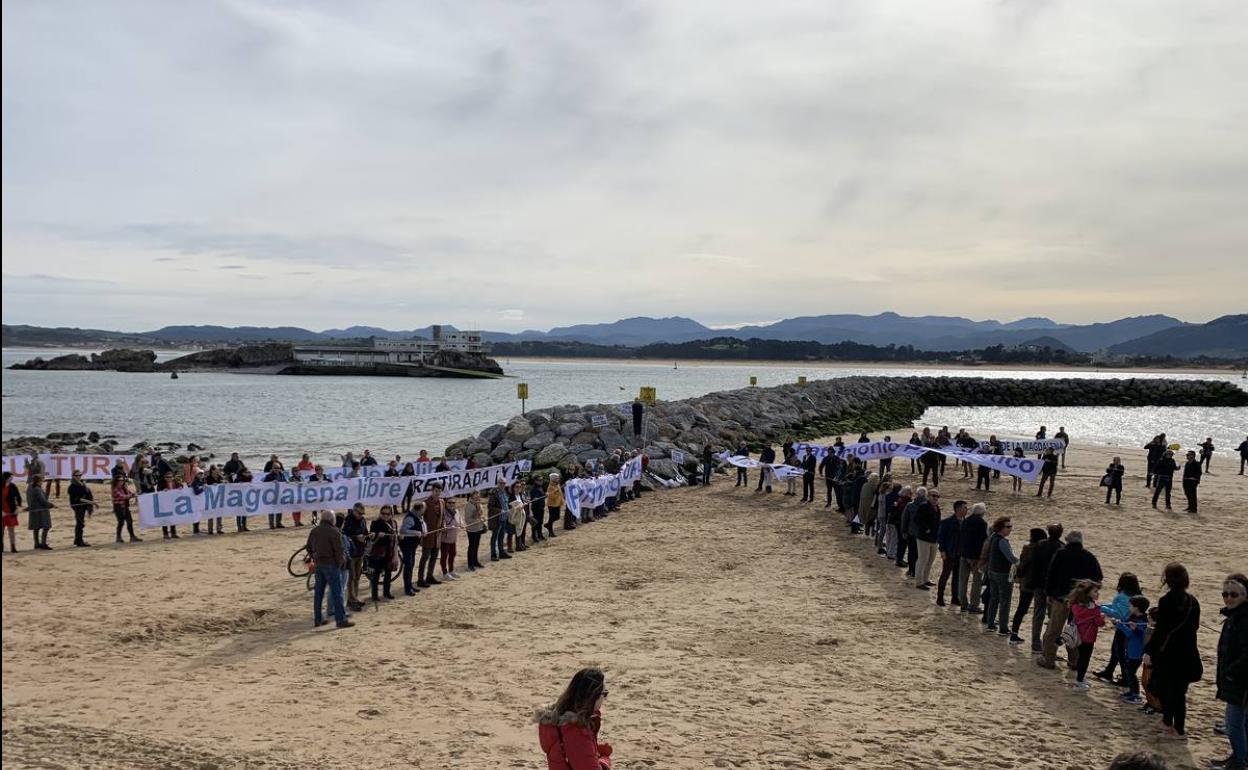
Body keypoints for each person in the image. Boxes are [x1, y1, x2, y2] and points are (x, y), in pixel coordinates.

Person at [1144, 562, 1202, 740]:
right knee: (1174, 690)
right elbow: (1195, 626)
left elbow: (1161, 630)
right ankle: (1168, 722)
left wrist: (1149, 651)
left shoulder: (1167, 600)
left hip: (1168, 653)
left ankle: (1178, 729)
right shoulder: (1193, 601)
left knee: (1169, 691)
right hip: (1188, 651)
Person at [1038, 530, 1103, 670]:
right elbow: (1098, 577)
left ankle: (1048, 658)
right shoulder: (1089, 556)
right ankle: (1075, 661)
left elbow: (1051, 575)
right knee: (1076, 630)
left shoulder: (1061, 554)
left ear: (1068, 540)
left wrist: (1049, 593)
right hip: (1081, 601)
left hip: (1062, 598)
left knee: (1054, 629)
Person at [536, 667, 613, 770]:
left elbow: (572, 754)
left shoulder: (556, 723)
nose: (604, 699)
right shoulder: (576, 732)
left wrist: (594, 750)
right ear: (593, 696)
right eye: (604, 694)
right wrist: (605, 758)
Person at [1212, 573, 1248, 770]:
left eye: (1234, 594)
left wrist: (1230, 672)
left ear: (1244, 596)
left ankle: (1239, 762)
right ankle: (1239, 756)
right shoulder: (1235, 616)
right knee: (1241, 723)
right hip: (1236, 679)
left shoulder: (1244, 619)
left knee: (1234, 723)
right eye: (1225, 594)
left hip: (1240, 681)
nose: (1228, 598)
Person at [1093, 573, 1143, 685]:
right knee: (1116, 651)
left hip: (1122, 627)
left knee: (1119, 652)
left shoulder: (1121, 596)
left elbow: (1117, 613)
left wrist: (1102, 608)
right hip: (1132, 627)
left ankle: (1125, 677)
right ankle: (1109, 671)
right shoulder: (1138, 596)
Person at [306, 508, 352, 629]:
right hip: (331, 565)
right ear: (332, 519)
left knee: (319, 593)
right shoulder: (334, 531)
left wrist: (314, 557)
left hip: (319, 565)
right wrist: (339, 563)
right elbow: (339, 551)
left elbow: (308, 547)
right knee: (337, 593)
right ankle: (340, 620)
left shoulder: (315, 531)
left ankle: (318, 619)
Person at [1020, 524, 1063, 653]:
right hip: (1052, 588)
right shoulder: (1061, 547)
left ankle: (1035, 643)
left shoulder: (1040, 545)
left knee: (1038, 614)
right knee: (1052, 617)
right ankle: (1048, 645)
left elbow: (1034, 564)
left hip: (1038, 584)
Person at [1007, 528, 1046, 644]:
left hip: (1026, 582)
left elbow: (1022, 565)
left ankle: (1014, 633)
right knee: (1037, 611)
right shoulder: (1039, 549)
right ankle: (1034, 640)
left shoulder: (1027, 548)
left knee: (1022, 608)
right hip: (1036, 583)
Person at [984, 516, 1020, 638]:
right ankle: (1003, 628)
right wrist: (1021, 563)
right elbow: (1010, 558)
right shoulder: (1002, 541)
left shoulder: (993, 537)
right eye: (1008, 527)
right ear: (1001, 528)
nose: (1010, 529)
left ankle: (990, 623)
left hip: (992, 571)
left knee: (994, 598)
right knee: (1005, 601)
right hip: (1002, 574)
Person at [1068, 579, 1106, 692]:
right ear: (1088, 593)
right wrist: (1101, 617)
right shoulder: (1094, 609)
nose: (1097, 593)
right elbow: (1100, 623)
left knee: (1081, 658)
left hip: (1077, 635)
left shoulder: (1076, 605)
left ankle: (1080, 678)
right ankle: (1079, 682)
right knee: (1085, 659)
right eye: (1095, 591)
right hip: (1088, 638)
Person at [1114, 596, 1150, 705]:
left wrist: (1120, 626)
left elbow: (1131, 634)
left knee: (1131, 673)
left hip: (1136, 653)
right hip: (1130, 650)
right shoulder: (1134, 618)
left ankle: (1136, 695)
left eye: (1131, 606)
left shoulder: (1142, 621)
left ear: (1137, 608)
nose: (1129, 607)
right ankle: (1131, 691)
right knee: (1128, 672)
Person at [956, 502, 989, 613]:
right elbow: (983, 541)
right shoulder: (982, 524)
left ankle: (963, 603)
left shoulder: (966, 521)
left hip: (964, 553)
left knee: (963, 580)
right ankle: (974, 605)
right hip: (975, 556)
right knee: (976, 581)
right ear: (982, 512)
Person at [935, 500, 965, 607]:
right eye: (964, 508)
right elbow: (941, 537)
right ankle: (940, 597)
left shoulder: (965, 522)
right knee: (945, 575)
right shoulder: (947, 522)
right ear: (958, 509)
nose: (966, 510)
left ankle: (955, 598)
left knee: (957, 577)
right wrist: (942, 550)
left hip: (960, 554)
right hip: (949, 553)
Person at [341, 503, 369, 611]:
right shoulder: (348, 521)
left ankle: (354, 598)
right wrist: (356, 537)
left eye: (362, 514)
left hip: (360, 552)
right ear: (354, 511)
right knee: (351, 578)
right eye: (359, 513)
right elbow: (344, 536)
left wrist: (368, 535)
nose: (361, 515)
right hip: (351, 554)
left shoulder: (363, 520)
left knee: (357, 577)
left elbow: (365, 531)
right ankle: (351, 600)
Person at [912, 488, 940, 589]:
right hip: (923, 538)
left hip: (934, 538)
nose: (935, 498)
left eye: (937, 496)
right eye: (933, 496)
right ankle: (919, 582)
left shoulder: (936, 507)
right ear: (928, 496)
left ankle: (925, 579)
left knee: (930, 560)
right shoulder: (923, 506)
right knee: (922, 560)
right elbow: (916, 519)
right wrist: (925, 528)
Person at [367, 506, 397, 601]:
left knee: (388, 573)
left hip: (389, 551)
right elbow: (371, 537)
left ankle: (386, 592)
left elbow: (395, 536)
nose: (385, 516)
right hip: (378, 552)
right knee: (376, 575)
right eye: (383, 513)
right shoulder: (375, 523)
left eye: (387, 514)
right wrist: (377, 535)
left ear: (391, 515)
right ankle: (374, 596)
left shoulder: (394, 523)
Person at [420, 483, 445, 586]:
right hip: (428, 534)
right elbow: (421, 519)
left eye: (439, 491)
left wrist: (443, 525)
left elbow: (443, 516)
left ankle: (429, 576)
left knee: (434, 557)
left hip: (437, 535)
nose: (437, 493)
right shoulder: (425, 503)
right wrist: (423, 531)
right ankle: (420, 579)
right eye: (435, 491)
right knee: (425, 557)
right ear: (432, 491)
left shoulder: (442, 502)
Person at [398, 501, 425, 595]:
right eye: (423, 509)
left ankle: (409, 585)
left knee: (412, 564)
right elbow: (402, 530)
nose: (423, 511)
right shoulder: (410, 518)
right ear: (419, 509)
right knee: (408, 565)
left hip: (413, 545)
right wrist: (415, 532)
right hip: (406, 545)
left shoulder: (418, 517)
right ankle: (407, 588)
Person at [67, 470, 94, 547]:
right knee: (80, 523)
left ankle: (77, 540)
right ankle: (79, 541)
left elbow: (87, 493)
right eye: (76, 475)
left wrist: (90, 503)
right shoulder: (72, 486)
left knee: (80, 523)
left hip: (83, 506)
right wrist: (92, 502)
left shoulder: (82, 484)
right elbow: (78, 498)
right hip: (77, 506)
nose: (78, 477)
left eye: (80, 475)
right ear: (73, 476)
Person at [26, 474, 53, 550]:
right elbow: (42, 500)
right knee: (46, 526)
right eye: (42, 480)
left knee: (36, 527)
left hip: (33, 510)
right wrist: (51, 505)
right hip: (41, 511)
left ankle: (37, 543)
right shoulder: (37, 489)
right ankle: (43, 543)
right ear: (39, 481)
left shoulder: (30, 487)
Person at [110, 475, 140, 543]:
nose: (121, 481)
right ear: (116, 481)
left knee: (130, 521)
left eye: (122, 480)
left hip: (125, 507)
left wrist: (133, 494)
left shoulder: (124, 488)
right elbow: (122, 496)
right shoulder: (115, 489)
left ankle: (132, 537)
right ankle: (118, 537)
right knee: (121, 522)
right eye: (120, 480)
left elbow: (130, 493)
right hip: (118, 507)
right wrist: (130, 496)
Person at [464, 491, 487, 571]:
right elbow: (467, 519)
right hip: (471, 529)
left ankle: (475, 561)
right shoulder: (468, 505)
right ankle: (470, 564)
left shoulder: (479, 504)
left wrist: (483, 519)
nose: (477, 496)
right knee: (471, 546)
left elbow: (480, 515)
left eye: (478, 495)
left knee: (476, 545)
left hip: (479, 528)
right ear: (472, 496)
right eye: (476, 495)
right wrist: (477, 521)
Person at [489, 479, 512, 559]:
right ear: (497, 484)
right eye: (501, 483)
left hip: (504, 518)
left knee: (501, 537)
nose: (502, 484)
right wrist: (500, 510)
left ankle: (501, 552)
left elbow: (507, 503)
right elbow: (490, 507)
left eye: (504, 483)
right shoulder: (494, 494)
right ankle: (493, 554)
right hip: (497, 519)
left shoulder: (505, 493)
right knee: (495, 537)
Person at [3, 472, 23, 553]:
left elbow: (18, 497)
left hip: (11, 510)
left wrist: (18, 507)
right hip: (3, 511)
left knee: (11, 530)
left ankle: (13, 546)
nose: (11, 478)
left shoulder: (12, 486)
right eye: (10, 477)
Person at [529, 476, 547, 543]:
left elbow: (541, 496)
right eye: (539, 480)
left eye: (542, 480)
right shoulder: (533, 489)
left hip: (541, 507)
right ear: (535, 481)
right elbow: (533, 499)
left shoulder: (540, 487)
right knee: (535, 522)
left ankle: (540, 534)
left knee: (540, 522)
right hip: (536, 508)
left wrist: (545, 495)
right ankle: (534, 536)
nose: (541, 481)